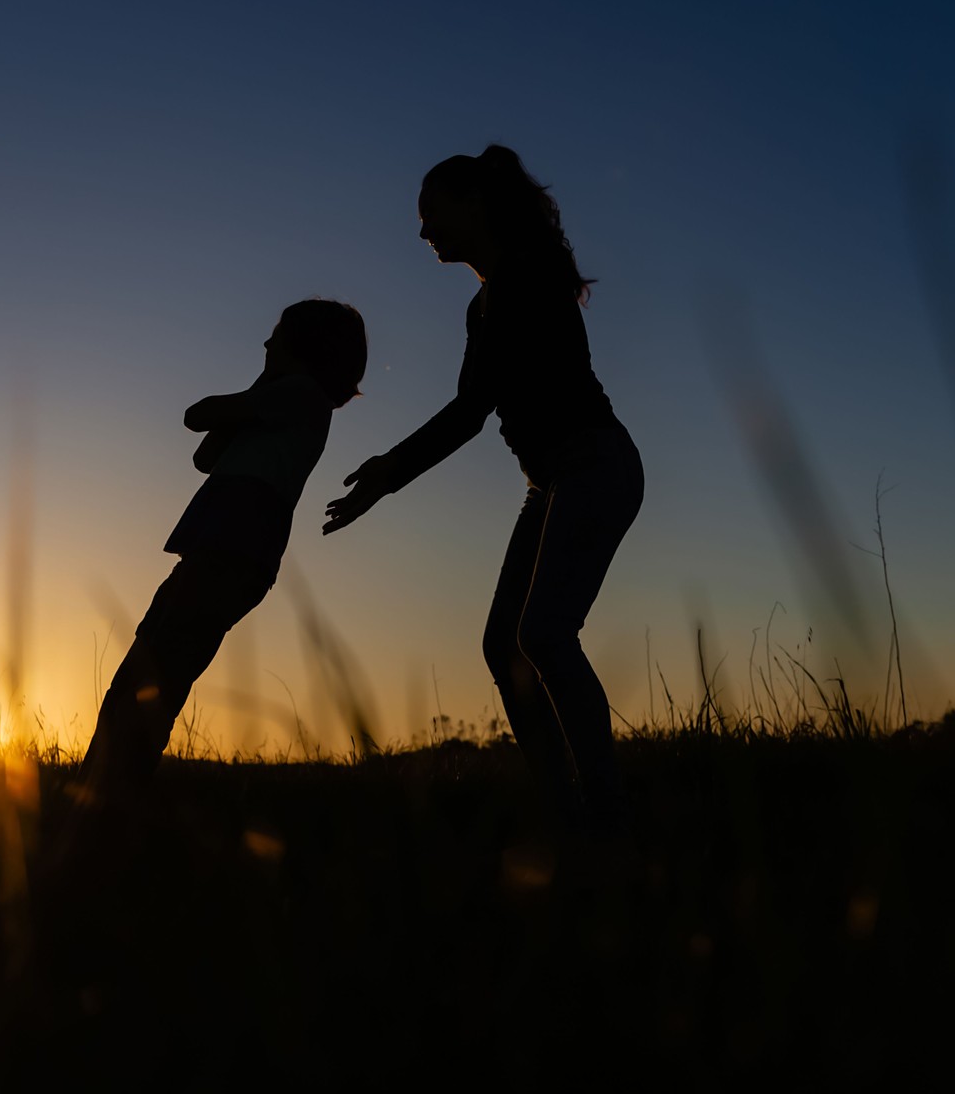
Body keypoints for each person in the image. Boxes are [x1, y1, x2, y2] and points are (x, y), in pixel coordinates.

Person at [323, 145, 642, 829]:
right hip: (550, 482)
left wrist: (388, 473)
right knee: (507, 646)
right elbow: (474, 405)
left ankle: (608, 819)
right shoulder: (486, 302)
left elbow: (470, 413)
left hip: (594, 466)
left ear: (475, 205)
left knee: (545, 634)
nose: (422, 230)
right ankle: (568, 817)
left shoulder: (525, 278)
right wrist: (388, 472)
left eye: (431, 212)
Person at [79, 298, 367, 798]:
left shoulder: (302, 396)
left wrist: (258, 387)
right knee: (148, 668)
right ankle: (99, 786)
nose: (265, 344)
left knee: (156, 673)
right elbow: (205, 455)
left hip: (232, 552)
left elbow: (198, 416)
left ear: (303, 348)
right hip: (216, 550)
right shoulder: (279, 401)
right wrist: (260, 386)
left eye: (276, 337)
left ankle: (108, 794)